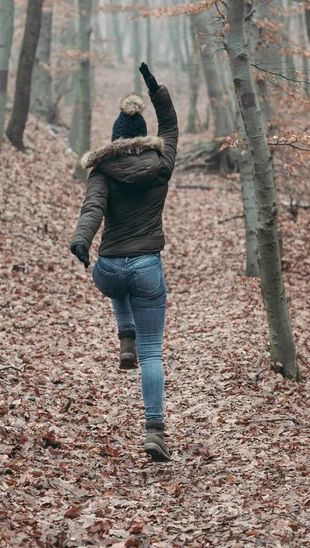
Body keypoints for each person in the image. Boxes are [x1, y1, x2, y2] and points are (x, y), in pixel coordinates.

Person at [70, 63, 178, 462]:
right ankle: (154, 431)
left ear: (115, 138)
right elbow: (170, 125)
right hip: (147, 267)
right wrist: (156, 91)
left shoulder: (101, 171)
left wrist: (82, 241)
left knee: (113, 276)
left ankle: (124, 335)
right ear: (144, 137)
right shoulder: (161, 164)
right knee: (154, 354)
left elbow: (92, 209)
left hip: (110, 269)